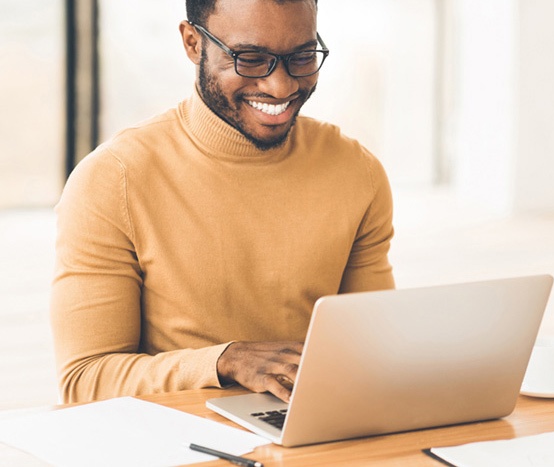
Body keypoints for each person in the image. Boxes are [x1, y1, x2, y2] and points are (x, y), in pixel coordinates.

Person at [50, 0, 395, 404]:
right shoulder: (113, 179)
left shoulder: (358, 173)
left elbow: (375, 351)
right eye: (250, 59)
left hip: (310, 429)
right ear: (193, 43)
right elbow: (83, 380)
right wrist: (223, 362)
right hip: (175, 441)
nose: (280, 86)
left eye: (301, 57)